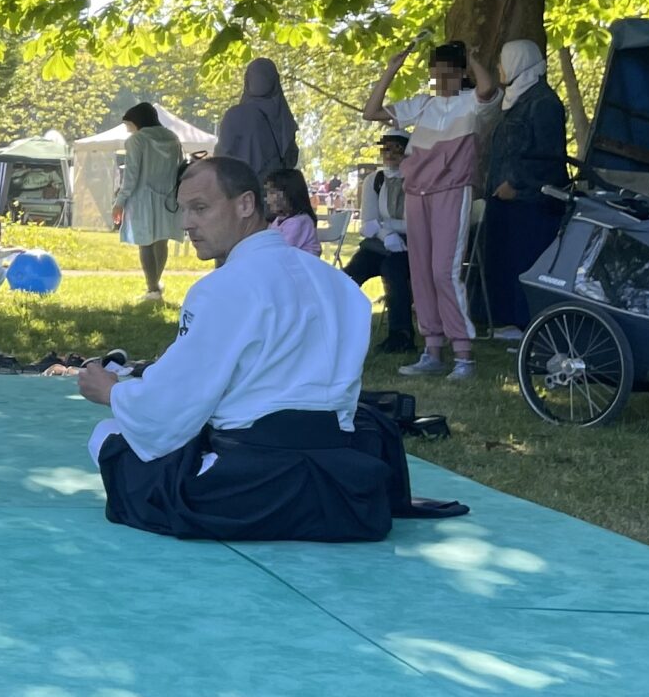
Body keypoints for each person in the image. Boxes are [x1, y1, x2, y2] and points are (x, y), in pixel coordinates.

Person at [79, 156, 409, 544]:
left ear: (246, 205)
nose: (187, 224)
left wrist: (113, 391)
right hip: (346, 492)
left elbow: (172, 410)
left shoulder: (222, 287)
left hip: (249, 491)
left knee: (107, 436)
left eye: (200, 208)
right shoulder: (338, 284)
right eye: (183, 210)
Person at [365, 37, 500, 380]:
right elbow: (371, 112)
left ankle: (464, 355)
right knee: (421, 272)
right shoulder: (423, 105)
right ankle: (432, 350)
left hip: (451, 192)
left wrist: (472, 57)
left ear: (459, 73)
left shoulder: (472, 104)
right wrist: (391, 69)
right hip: (416, 193)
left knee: (443, 271)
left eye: (447, 73)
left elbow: (488, 88)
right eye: (435, 73)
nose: (440, 80)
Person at [479, 40, 572, 339]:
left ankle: (526, 322)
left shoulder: (544, 103)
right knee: (504, 257)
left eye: (504, 61)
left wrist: (517, 185)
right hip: (503, 198)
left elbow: (548, 155)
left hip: (530, 201)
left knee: (525, 258)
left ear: (519, 62)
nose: (499, 68)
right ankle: (505, 319)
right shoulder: (514, 100)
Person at [344, 131, 416, 354]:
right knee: (351, 273)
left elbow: (415, 222)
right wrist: (386, 234)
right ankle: (334, 326)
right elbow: (368, 223)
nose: (390, 154)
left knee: (393, 271)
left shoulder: (418, 178)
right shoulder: (374, 180)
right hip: (379, 243)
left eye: (397, 148)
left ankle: (401, 334)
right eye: (386, 148)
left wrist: (386, 227)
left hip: (411, 245)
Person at [111, 102, 185, 300]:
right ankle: (156, 284)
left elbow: (131, 175)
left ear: (137, 122)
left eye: (129, 125)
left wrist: (120, 201)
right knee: (162, 242)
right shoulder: (173, 138)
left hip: (141, 198)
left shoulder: (137, 141)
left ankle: (152, 288)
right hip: (168, 198)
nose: (128, 130)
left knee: (145, 242)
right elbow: (180, 168)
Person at [214, 58, 299, 183]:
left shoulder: (233, 116)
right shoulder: (284, 120)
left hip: (237, 192)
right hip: (272, 193)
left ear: (247, 80)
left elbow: (220, 160)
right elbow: (291, 160)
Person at [263, 167, 321, 254]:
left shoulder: (299, 222)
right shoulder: (279, 220)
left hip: (303, 266)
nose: (267, 199)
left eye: (272, 193)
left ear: (290, 193)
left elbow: (279, 251)